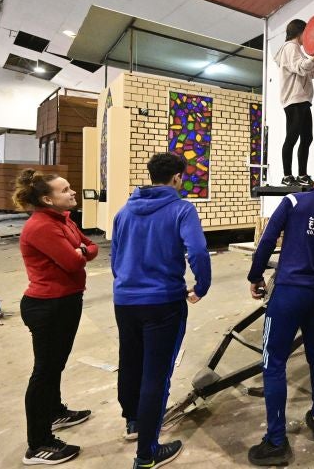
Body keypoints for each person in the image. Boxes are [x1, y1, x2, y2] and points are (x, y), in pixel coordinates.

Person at [110, 152, 211, 469]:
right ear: (177, 177)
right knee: (156, 375)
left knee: (131, 362)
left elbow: (115, 257)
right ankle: (147, 455)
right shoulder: (182, 209)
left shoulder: (125, 211)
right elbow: (197, 250)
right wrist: (202, 285)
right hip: (163, 302)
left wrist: (127, 284)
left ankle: (134, 421)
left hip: (125, 300)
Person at [246, 167, 314, 466]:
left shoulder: (293, 201)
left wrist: (255, 275)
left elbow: (267, 240)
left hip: (289, 292)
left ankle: (276, 441)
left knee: (274, 362)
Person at [15, 169, 97, 465]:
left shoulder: (63, 220)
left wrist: (80, 249)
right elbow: (73, 262)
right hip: (48, 306)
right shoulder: (41, 227)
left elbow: (90, 247)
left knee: (55, 365)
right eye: (65, 190)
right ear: (48, 199)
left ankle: (54, 412)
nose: (73, 192)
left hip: (65, 302)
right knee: (45, 372)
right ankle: (38, 444)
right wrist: (80, 252)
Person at [275, 18, 314, 187]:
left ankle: (302, 174)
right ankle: (287, 175)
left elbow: (310, 71)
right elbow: (301, 67)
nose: (307, 37)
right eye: (306, 33)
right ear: (300, 33)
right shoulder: (290, 47)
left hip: (301, 99)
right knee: (292, 137)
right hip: (295, 99)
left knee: (306, 137)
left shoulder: (296, 50)